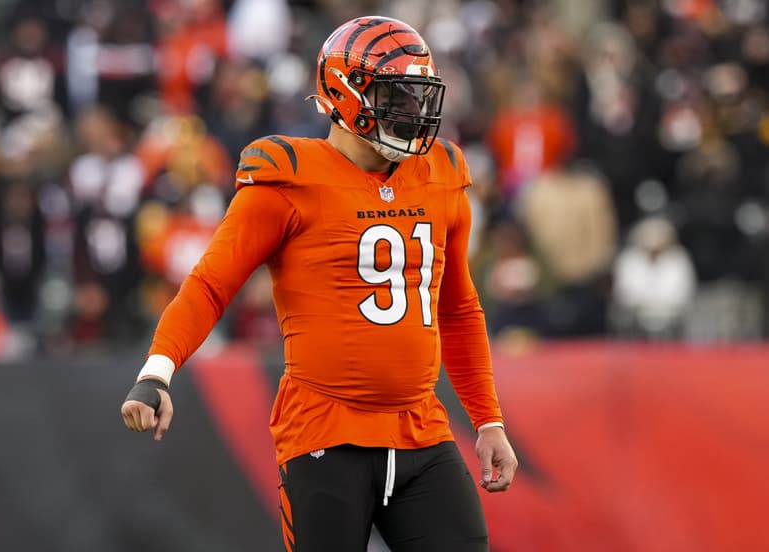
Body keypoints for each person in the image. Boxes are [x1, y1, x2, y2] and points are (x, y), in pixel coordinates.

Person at [121, 15, 517, 551]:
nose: (413, 112)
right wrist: (158, 371)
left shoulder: (441, 174)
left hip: (420, 427)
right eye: (395, 96)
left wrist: (488, 420)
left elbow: (459, 307)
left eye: (418, 96)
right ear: (345, 93)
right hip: (325, 430)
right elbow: (211, 284)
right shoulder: (288, 178)